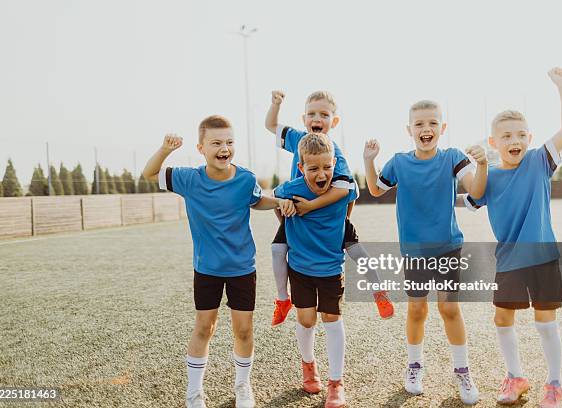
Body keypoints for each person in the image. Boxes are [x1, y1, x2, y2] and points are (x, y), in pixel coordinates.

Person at [143, 115, 296, 408]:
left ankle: (242, 386)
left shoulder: (245, 179)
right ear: (201, 148)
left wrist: (276, 201)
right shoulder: (188, 179)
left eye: (229, 142)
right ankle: (195, 392)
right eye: (216, 143)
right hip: (207, 270)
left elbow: (255, 200)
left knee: (244, 330)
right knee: (204, 328)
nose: (224, 148)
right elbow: (150, 173)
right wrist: (165, 150)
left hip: (242, 269)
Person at [363, 100, 487, 405]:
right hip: (414, 251)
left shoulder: (452, 158)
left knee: (449, 310)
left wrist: (483, 165)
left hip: (448, 247)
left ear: (442, 128)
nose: (426, 129)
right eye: (419, 124)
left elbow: (477, 191)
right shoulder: (399, 162)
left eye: (432, 123)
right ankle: (415, 367)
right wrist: (369, 160)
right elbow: (376, 189)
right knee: (417, 310)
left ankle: (462, 371)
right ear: (409, 130)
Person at [465, 68, 562, 408]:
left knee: (545, 320)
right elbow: (474, 195)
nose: (514, 141)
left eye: (520, 135)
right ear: (493, 142)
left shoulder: (540, 161)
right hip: (509, 260)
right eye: (506, 136)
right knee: (502, 318)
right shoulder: (491, 175)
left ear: (529, 138)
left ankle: (553, 383)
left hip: (543, 258)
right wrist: (481, 164)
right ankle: (516, 376)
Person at [265, 90, 394, 327]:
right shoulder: (296, 139)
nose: (317, 118)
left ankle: (378, 290)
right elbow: (271, 125)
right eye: (311, 114)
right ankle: (282, 299)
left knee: (357, 252)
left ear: (333, 122)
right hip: (299, 218)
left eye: (324, 114)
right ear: (303, 118)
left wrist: (339, 218)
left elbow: (347, 190)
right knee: (276, 250)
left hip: (330, 216)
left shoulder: (335, 152)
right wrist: (276, 104)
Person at [274, 132, 358, 408]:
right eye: (313, 168)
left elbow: (351, 197)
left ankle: (336, 383)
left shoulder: (343, 186)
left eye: (327, 167)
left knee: (332, 319)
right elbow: (277, 201)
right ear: (301, 167)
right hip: (300, 268)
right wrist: (284, 206)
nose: (321, 173)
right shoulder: (290, 189)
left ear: (334, 163)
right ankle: (308, 365)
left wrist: (343, 224)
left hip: (331, 267)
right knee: (307, 320)